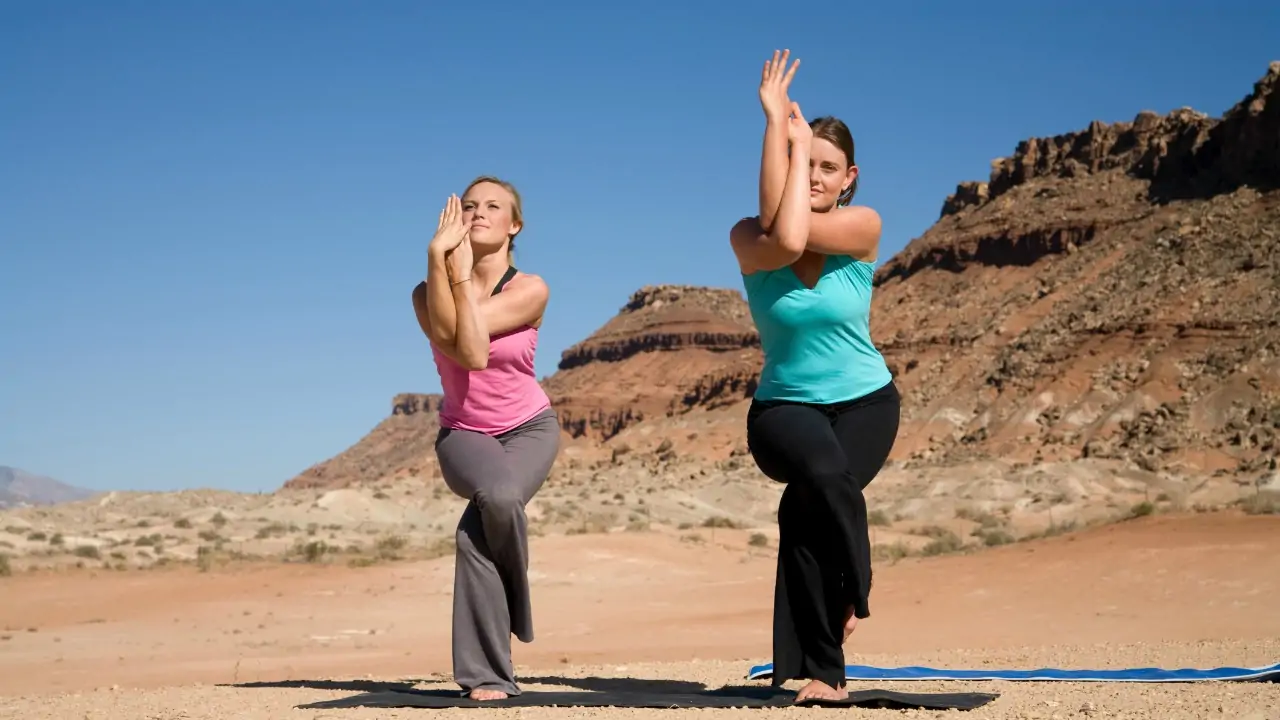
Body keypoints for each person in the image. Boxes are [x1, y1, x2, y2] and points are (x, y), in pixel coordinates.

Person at [728, 50, 902, 704]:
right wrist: (779, 126)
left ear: (849, 177)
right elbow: (787, 233)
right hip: (784, 411)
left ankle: (817, 672)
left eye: (828, 167)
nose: (815, 176)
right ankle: (856, 588)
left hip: (868, 403)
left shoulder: (863, 227)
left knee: (806, 511)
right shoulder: (750, 238)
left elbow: (804, 229)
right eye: (807, 164)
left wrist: (794, 143)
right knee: (822, 477)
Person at [410, 175, 559, 701]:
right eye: (468, 205)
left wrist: (464, 275)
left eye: (493, 206)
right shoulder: (424, 293)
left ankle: (488, 677)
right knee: (495, 498)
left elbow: (473, 344)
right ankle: (519, 607)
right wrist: (440, 259)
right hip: (464, 433)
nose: (477, 213)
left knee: (477, 531)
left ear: (514, 225)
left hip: (530, 427)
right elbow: (462, 348)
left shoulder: (530, 289)